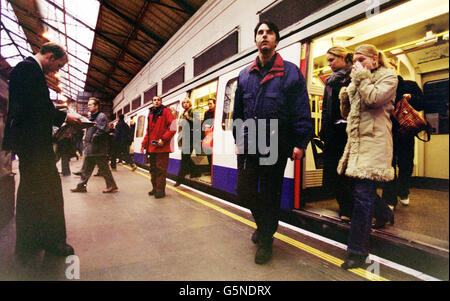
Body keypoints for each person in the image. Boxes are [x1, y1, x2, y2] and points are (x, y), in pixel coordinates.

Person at [233, 21, 312, 264]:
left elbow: (301, 110)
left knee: (269, 195)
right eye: (260, 33)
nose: (264, 36)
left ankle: (266, 240)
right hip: (249, 144)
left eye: (269, 33)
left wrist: (300, 142)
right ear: (255, 41)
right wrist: (239, 139)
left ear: (276, 41)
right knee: (244, 192)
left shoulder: (290, 72)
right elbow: (237, 112)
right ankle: (265, 226)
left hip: (277, 143)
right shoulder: (245, 75)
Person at [2, 42, 82, 258]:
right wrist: (66, 116)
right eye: (59, 64)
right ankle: (53, 243)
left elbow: (34, 105)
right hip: (33, 144)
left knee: (32, 193)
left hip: (29, 144)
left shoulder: (25, 70)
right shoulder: (28, 69)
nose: (58, 70)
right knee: (49, 192)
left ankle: (30, 243)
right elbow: (38, 105)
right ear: (49, 55)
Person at [338, 44, 397, 269]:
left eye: (362, 59)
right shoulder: (360, 79)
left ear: (374, 60)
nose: (358, 64)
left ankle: (357, 252)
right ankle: (386, 213)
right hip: (357, 144)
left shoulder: (389, 77)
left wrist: (361, 79)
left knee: (362, 195)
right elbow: (348, 114)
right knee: (360, 191)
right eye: (355, 60)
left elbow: (374, 100)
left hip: (375, 142)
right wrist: (346, 94)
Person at [382, 60, 424, 209]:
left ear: (396, 68)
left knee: (406, 164)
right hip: (387, 131)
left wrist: (411, 98)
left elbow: (422, 104)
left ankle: (403, 190)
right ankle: (389, 198)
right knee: (389, 165)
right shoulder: (382, 87)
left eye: (390, 68)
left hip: (405, 131)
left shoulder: (410, 85)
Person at [319, 46, 354, 222]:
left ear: (343, 57)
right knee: (333, 171)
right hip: (333, 131)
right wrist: (324, 129)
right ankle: (345, 205)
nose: (330, 65)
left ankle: (348, 208)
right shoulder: (330, 81)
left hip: (349, 131)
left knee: (348, 172)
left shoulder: (353, 75)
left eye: (332, 60)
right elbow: (326, 108)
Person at [71, 97, 118, 193]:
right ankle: (81, 186)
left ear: (96, 106)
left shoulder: (101, 116)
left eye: (90, 105)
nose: (88, 107)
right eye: (88, 105)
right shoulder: (92, 117)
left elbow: (102, 131)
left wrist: (92, 139)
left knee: (104, 169)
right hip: (91, 149)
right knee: (86, 169)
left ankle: (112, 185)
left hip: (98, 149)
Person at [141, 96, 176, 198]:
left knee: (161, 169)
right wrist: (144, 144)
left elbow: (173, 127)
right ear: (152, 102)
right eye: (154, 100)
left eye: (158, 100)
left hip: (162, 147)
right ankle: (155, 188)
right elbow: (148, 131)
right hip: (152, 147)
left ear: (161, 102)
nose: (156, 102)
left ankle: (160, 191)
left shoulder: (166, 111)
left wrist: (163, 139)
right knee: (153, 169)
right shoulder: (151, 114)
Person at [175, 98, 197, 186]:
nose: (185, 104)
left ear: (190, 103)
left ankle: (179, 180)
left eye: (187, 102)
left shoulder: (193, 111)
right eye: (183, 103)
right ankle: (196, 172)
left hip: (191, 137)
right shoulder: (182, 114)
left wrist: (189, 118)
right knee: (186, 157)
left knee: (184, 158)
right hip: (184, 138)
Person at [203, 98, 215, 172]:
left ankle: (211, 169)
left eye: (211, 103)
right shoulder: (206, 113)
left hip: (213, 133)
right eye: (208, 104)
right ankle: (208, 169)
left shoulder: (216, 112)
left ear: (214, 104)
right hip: (207, 133)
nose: (209, 105)